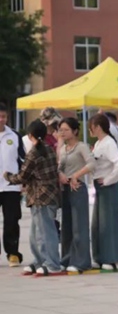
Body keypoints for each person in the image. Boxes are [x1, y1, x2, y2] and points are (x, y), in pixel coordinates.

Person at [4, 120, 62, 275]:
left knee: (46, 233)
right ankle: (40, 261)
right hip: (43, 196)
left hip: (41, 198)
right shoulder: (49, 149)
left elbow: (23, 176)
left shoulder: (34, 153)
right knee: (35, 234)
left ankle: (52, 264)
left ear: (30, 136)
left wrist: (7, 176)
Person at [69, 114, 118, 270]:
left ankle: (113, 259)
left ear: (98, 127)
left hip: (109, 187)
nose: (90, 131)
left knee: (109, 224)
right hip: (100, 187)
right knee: (98, 224)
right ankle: (100, 257)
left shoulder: (109, 143)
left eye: (91, 127)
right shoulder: (99, 143)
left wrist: (109, 180)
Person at [57, 117, 94, 273]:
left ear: (75, 131)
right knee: (66, 227)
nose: (63, 133)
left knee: (79, 227)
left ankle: (81, 261)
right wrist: (60, 174)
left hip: (77, 188)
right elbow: (59, 167)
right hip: (65, 189)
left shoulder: (81, 147)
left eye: (66, 130)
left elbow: (92, 164)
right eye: (61, 130)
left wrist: (76, 176)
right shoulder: (62, 149)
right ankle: (66, 259)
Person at [0, 102, 25, 267]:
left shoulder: (14, 136)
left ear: (7, 117)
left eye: (3, 116)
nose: (1, 119)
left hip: (11, 186)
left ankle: (13, 253)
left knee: (12, 220)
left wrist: (23, 181)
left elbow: (23, 160)